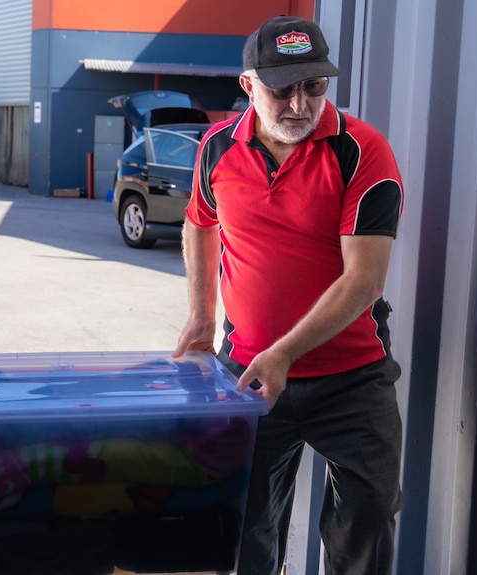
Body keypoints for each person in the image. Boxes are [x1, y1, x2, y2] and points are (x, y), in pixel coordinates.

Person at [173, 16, 404, 575]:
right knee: (242, 524)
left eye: (315, 86)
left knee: (365, 523)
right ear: (248, 86)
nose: (300, 104)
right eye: (282, 88)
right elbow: (199, 224)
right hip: (248, 371)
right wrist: (203, 316)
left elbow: (364, 281)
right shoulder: (217, 150)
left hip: (352, 378)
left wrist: (284, 353)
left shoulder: (362, 153)